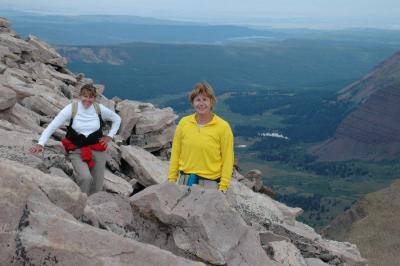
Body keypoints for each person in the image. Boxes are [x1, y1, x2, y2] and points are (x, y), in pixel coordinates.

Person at [30, 84, 121, 195]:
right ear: (80, 96)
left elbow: (117, 119)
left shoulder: (99, 109)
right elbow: (52, 126)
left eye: (91, 97)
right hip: (77, 150)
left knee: (97, 186)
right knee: (85, 178)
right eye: (85, 96)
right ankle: (81, 202)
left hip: (97, 150)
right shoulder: (71, 109)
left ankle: (91, 207)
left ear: (95, 98)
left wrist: (110, 136)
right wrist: (41, 144)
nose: (88, 100)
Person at [168, 82, 234, 193]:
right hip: (184, 180)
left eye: (205, 100)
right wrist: (171, 180)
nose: (201, 103)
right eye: (198, 100)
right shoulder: (184, 123)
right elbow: (175, 153)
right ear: (193, 103)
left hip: (210, 184)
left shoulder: (223, 127)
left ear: (211, 102)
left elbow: (228, 158)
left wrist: (223, 186)